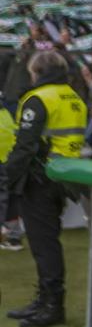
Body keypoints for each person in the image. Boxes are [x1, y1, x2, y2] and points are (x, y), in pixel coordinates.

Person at [4, 51, 87, 327]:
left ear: (36, 72)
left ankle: (52, 305)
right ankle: (45, 301)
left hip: (39, 178)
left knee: (44, 244)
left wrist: (5, 177)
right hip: (62, 177)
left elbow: (25, 146)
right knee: (46, 242)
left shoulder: (38, 99)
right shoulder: (74, 96)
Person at [0, 92, 21, 251]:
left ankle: (8, 235)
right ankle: (14, 237)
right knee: (11, 198)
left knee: (4, 200)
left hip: (4, 162)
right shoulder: (6, 114)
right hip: (10, 161)